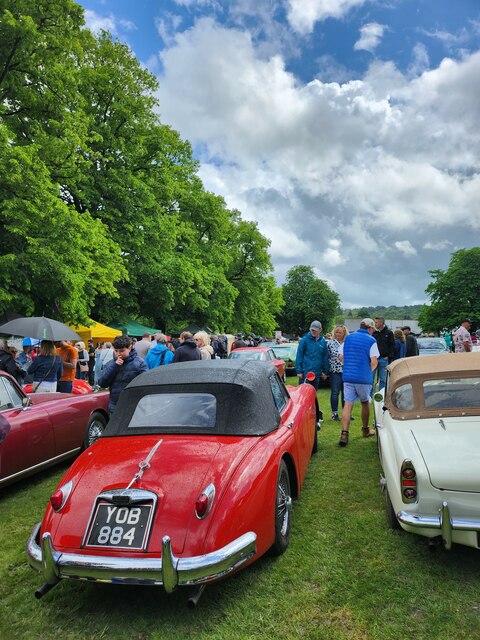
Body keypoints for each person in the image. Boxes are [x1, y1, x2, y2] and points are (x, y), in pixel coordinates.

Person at [338, 319, 379, 446]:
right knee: (365, 403)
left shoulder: (349, 338)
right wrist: (368, 371)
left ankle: (344, 433)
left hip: (348, 377)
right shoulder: (371, 340)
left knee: (348, 405)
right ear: (370, 329)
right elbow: (374, 362)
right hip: (363, 379)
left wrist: (348, 365)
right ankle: (365, 430)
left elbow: (340, 355)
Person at [98, 335, 148, 412]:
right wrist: (115, 366)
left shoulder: (139, 363)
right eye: (116, 350)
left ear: (130, 348)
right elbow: (102, 383)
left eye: (122, 351)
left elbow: (145, 384)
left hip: (134, 405)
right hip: (115, 405)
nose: (118, 354)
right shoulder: (110, 364)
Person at [295, 320, 329, 390]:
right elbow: (299, 356)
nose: (313, 332)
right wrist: (299, 371)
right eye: (312, 330)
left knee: (313, 394)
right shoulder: (304, 340)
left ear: (320, 330)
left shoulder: (322, 341)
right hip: (305, 373)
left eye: (315, 330)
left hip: (317, 373)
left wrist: (325, 371)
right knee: (304, 394)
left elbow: (325, 357)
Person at [327, 325, 349, 421]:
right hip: (335, 371)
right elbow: (327, 357)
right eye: (336, 332)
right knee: (335, 392)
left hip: (346, 370)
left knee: (346, 393)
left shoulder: (347, 343)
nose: (338, 334)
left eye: (340, 332)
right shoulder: (330, 344)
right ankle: (334, 413)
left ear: (344, 333)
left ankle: (346, 412)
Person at [372, 317, 395, 391]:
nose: (375, 324)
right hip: (374, 358)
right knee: (371, 378)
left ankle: (381, 396)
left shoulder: (389, 333)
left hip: (383, 359)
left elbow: (392, 345)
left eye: (376, 322)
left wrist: (388, 356)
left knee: (383, 379)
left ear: (381, 323)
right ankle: (369, 397)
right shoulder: (374, 333)